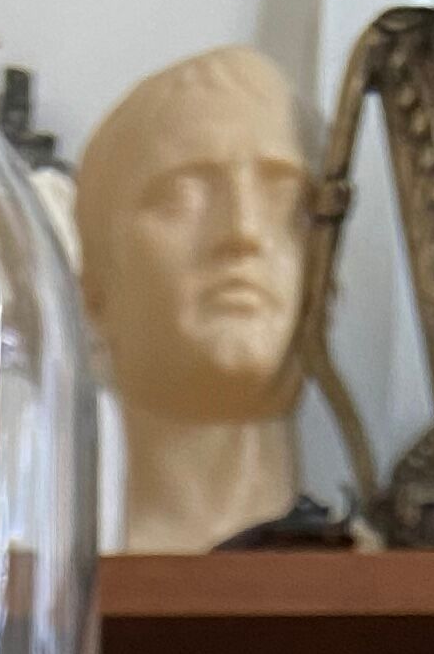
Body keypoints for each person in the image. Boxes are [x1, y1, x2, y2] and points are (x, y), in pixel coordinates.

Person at [77, 48, 315, 555]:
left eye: (284, 198)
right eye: (180, 195)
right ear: (93, 290)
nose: (243, 232)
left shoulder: (371, 578)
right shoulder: (46, 588)